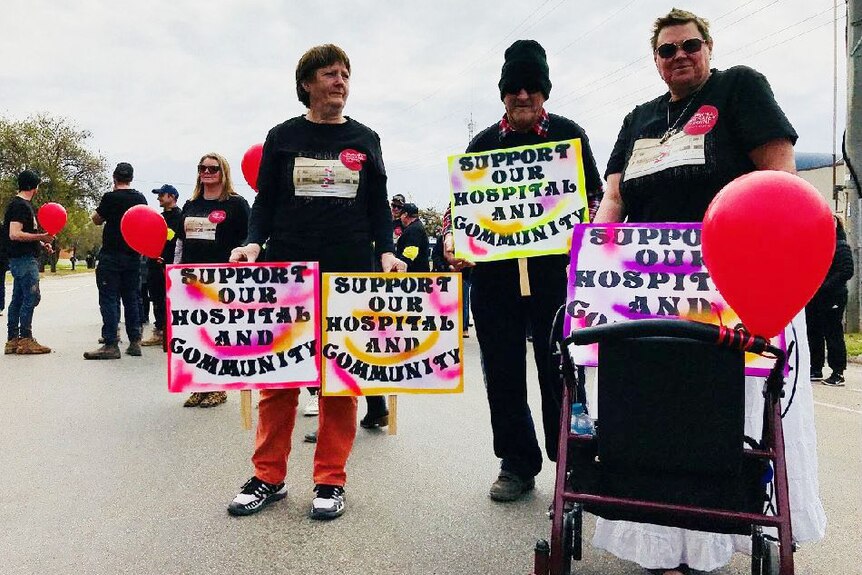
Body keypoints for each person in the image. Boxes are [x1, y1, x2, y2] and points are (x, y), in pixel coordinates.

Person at [592, 9, 825, 574]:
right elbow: (615, 203)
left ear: (709, 47)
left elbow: (778, 179)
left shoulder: (740, 87)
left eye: (690, 45)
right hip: (651, 294)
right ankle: (658, 542)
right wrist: (593, 266)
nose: (680, 56)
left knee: (725, 414)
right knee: (655, 414)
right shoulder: (638, 119)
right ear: (656, 59)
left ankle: (716, 538)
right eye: (667, 50)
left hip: (738, 284)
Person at [227, 44, 406, 520]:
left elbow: (377, 208)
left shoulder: (366, 138)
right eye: (329, 73)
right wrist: (251, 243)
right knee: (280, 379)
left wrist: (387, 253)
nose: (340, 81)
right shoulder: (282, 136)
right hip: (287, 274)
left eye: (345, 73)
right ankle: (268, 476)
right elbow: (264, 203)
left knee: (339, 381)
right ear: (306, 83)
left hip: (349, 274)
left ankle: (330, 479)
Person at [442, 39, 603, 502]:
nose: (523, 96)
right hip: (496, 282)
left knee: (562, 370)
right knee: (503, 373)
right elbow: (461, 210)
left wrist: (587, 228)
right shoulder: (484, 144)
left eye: (532, 87)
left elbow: (593, 199)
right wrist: (452, 241)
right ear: (503, 94)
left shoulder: (570, 136)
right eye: (514, 88)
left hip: (555, 277)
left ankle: (572, 458)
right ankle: (516, 462)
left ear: (544, 92)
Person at [175, 154, 250, 408]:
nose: (207, 172)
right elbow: (180, 240)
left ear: (223, 172)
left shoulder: (236, 204)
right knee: (194, 334)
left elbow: (249, 237)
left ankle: (219, 387)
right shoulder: (191, 203)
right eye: (202, 168)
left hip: (223, 279)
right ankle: (199, 385)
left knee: (218, 335)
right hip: (191, 277)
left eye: (213, 168)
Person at [84, 163, 148, 360]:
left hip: (111, 255)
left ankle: (111, 343)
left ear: (114, 177)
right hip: (133, 254)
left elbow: (96, 219)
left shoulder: (110, 197)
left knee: (109, 298)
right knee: (131, 298)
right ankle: (135, 341)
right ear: (131, 177)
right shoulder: (139, 198)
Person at [3, 170, 53, 355]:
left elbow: (22, 233)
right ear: (35, 187)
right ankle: (25, 338)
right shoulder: (19, 206)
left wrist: (41, 243)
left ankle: (12, 340)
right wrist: (42, 235)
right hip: (23, 260)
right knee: (31, 296)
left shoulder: (22, 206)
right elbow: (14, 234)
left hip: (22, 258)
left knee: (18, 299)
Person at [806, 215, 854, 387]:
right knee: (814, 332)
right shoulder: (819, 247)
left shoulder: (841, 247)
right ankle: (816, 368)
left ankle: (838, 372)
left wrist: (823, 286)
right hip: (814, 298)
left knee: (833, 333)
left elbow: (847, 271)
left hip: (833, 297)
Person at [141, 184, 183, 349]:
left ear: (172, 196)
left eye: (162, 194)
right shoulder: (158, 218)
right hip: (153, 263)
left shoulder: (180, 217)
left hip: (171, 265)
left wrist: (168, 258)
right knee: (157, 298)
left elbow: (178, 242)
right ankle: (159, 331)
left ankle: (175, 332)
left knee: (172, 300)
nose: (158, 198)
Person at [395, 203, 429, 272]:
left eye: (401, 215)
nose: (400, 219)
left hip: (414, 274)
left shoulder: (414, 229)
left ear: (405, 215)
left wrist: (400, 267)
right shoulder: (417, 226)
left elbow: (411, 252)